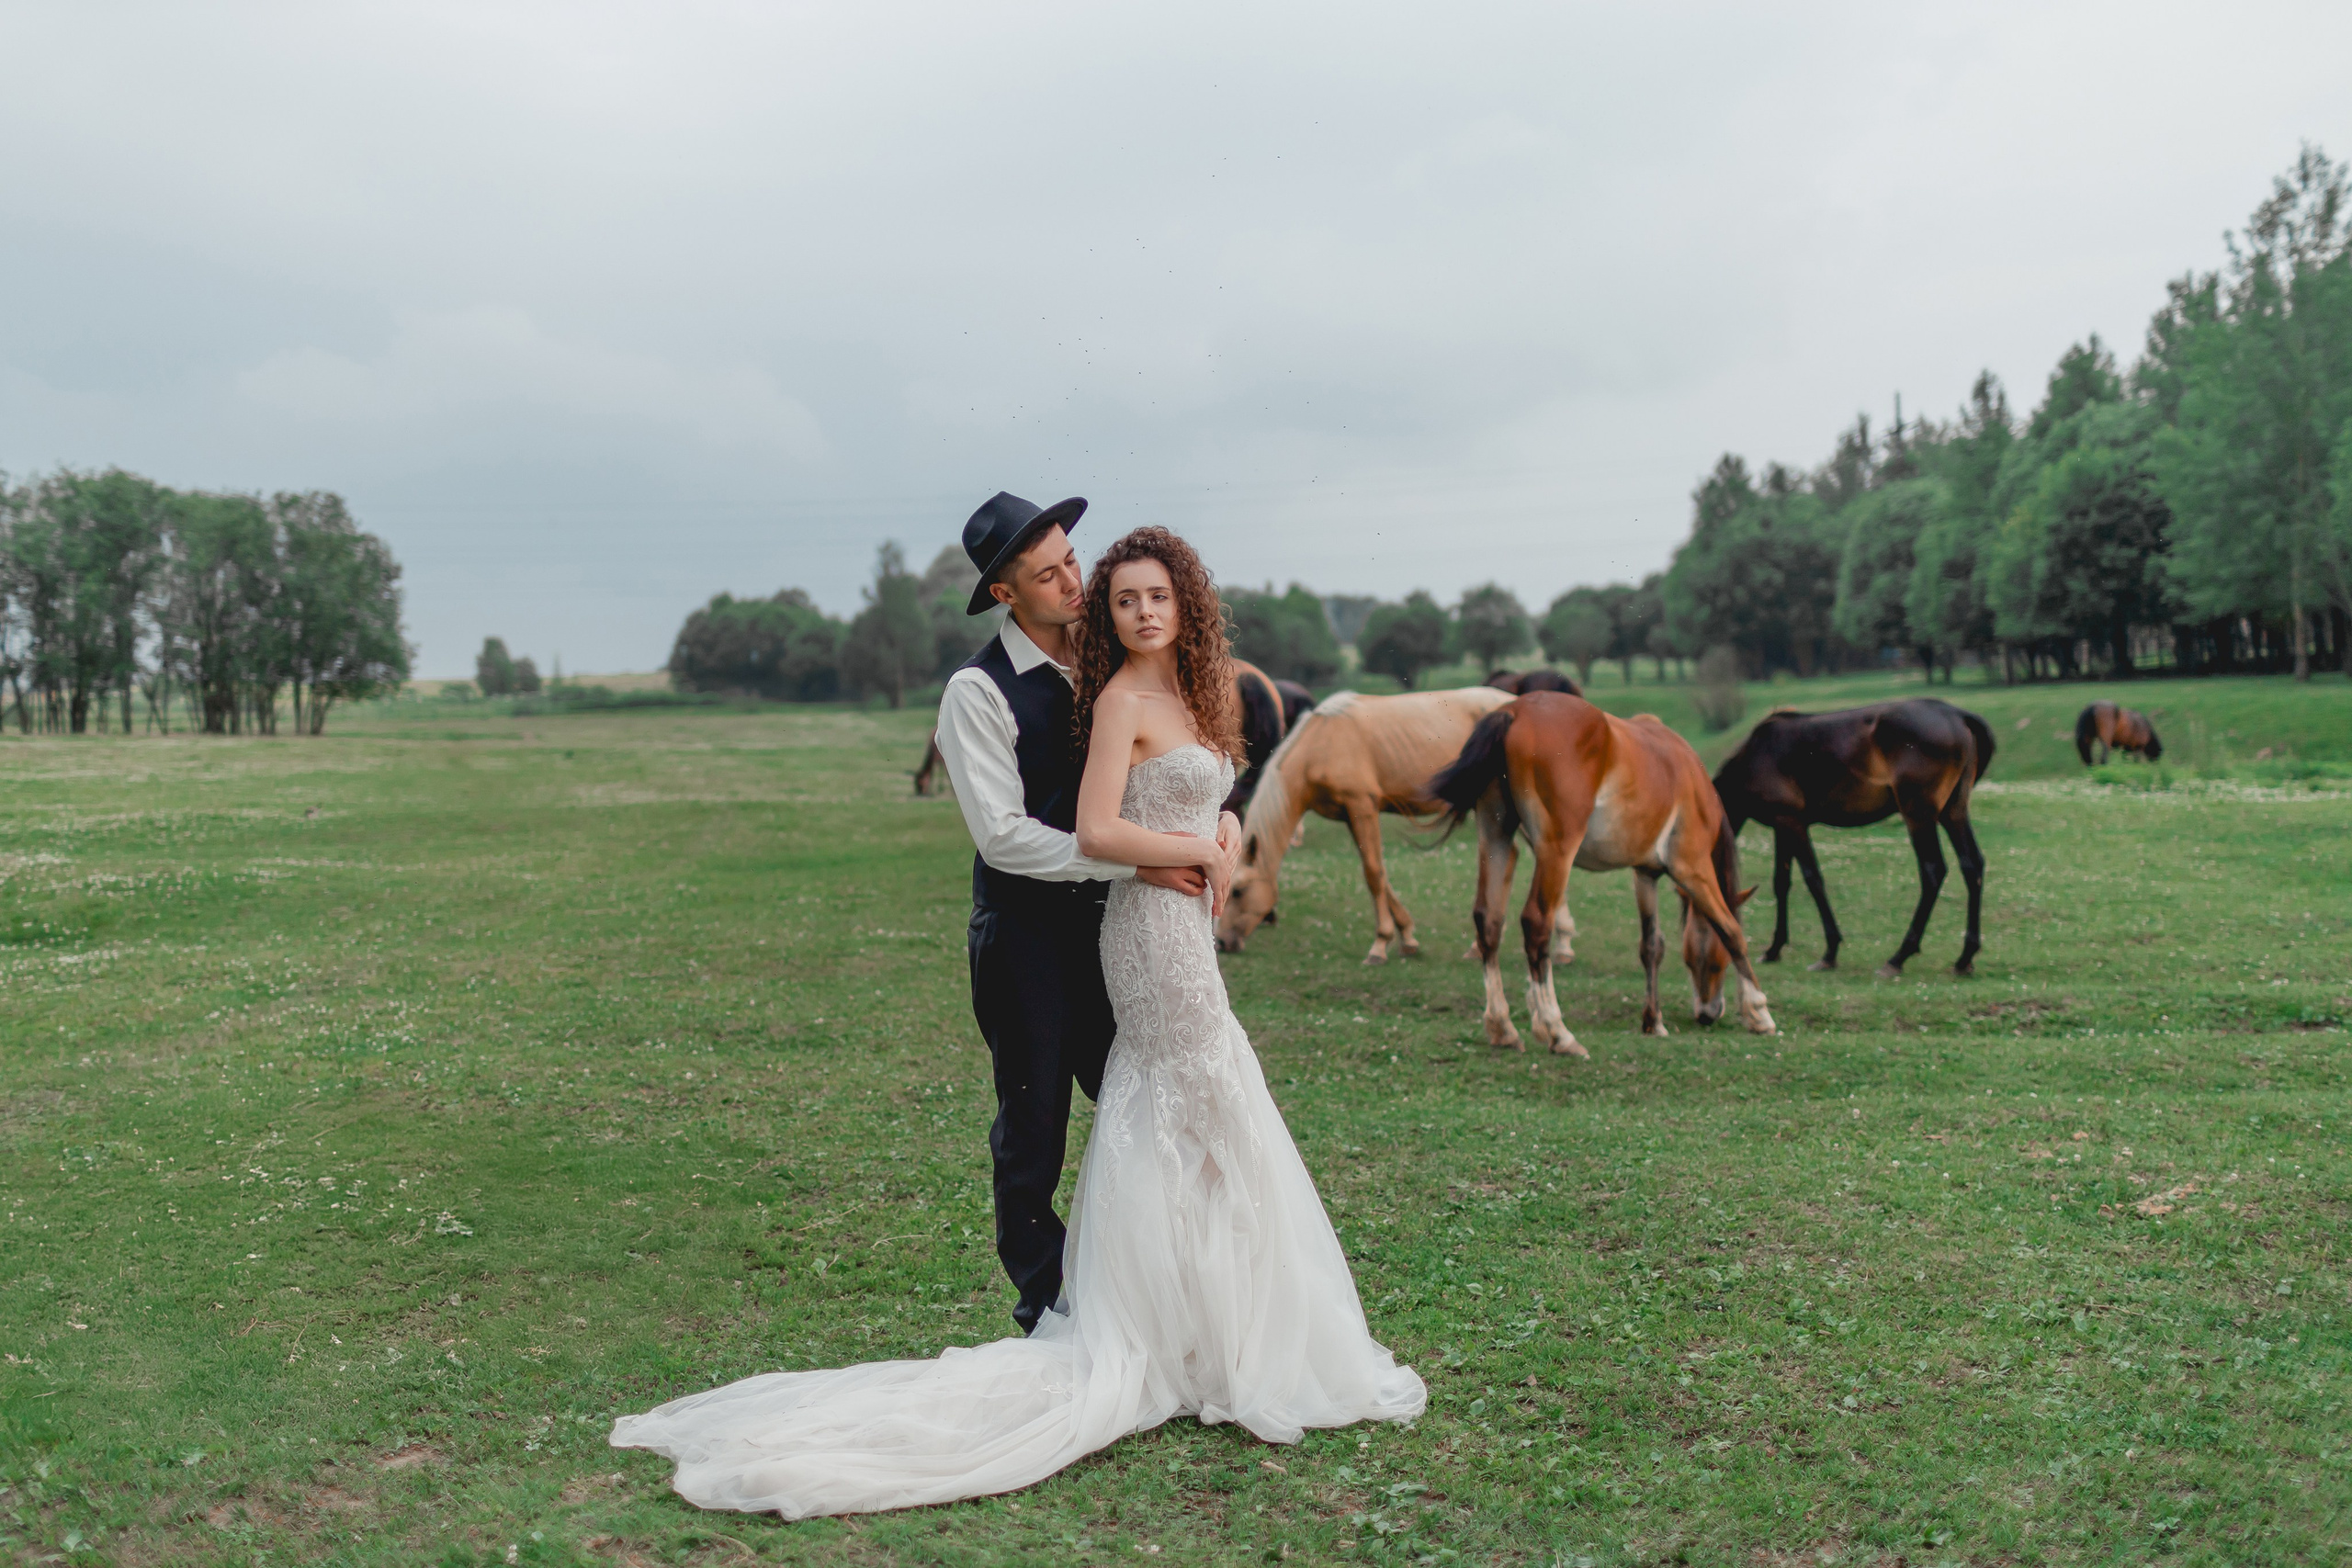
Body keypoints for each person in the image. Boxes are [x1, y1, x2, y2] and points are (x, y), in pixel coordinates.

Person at [610, 519, 1425, 1518]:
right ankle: (1052, 1313)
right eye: (1051, 574)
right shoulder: (974, 693)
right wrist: (1144, 859)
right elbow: (1004, 836)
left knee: (1148, 1111)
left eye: (1073, 564)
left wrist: (1202, 830)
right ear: (1006, 592)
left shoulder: (1104, 659)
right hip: (1032, 937)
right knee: (1035, 1123)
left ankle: (1192, 1305)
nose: (1075, 585)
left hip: (1119, 926)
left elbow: (1173, 764)